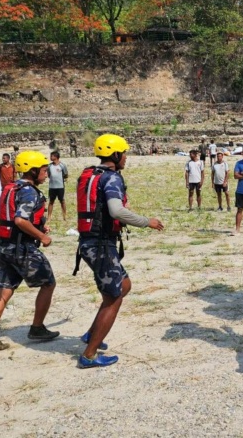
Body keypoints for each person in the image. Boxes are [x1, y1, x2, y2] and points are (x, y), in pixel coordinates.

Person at [75, 134, 164, 368]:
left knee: (124, 285)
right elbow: (115, 210)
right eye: (124, 153)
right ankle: (89, 354)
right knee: (113, 298)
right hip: (101, 245)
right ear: (115, 155)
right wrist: (147, 222)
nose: (126, 157)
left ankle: (92, 332)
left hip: (90, 242)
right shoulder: (111, 178)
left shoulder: (91, 174)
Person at [0, 151, 58, 351]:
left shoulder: (10, 188)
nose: (46, 173)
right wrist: (41, 236)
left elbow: (16, 218)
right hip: (22, 248)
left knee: (4, 291)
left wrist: (39, 226)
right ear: (32, 171)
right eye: (42, 169)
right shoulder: (29, 192)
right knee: (48, 283)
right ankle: (37, 327)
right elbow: (20, 219)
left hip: (5, 247)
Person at [48, 151, 69, 221]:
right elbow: (49, 174)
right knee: (51, 201)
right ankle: (49, 217)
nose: (50, 157)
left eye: (51, 156)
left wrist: (63, 179)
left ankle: (64, 215)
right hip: (52, 187)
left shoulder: (62, 165)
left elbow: (66, 174)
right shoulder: (49, 166)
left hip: (60, 186)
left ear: (56, 157)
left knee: (62, 201)